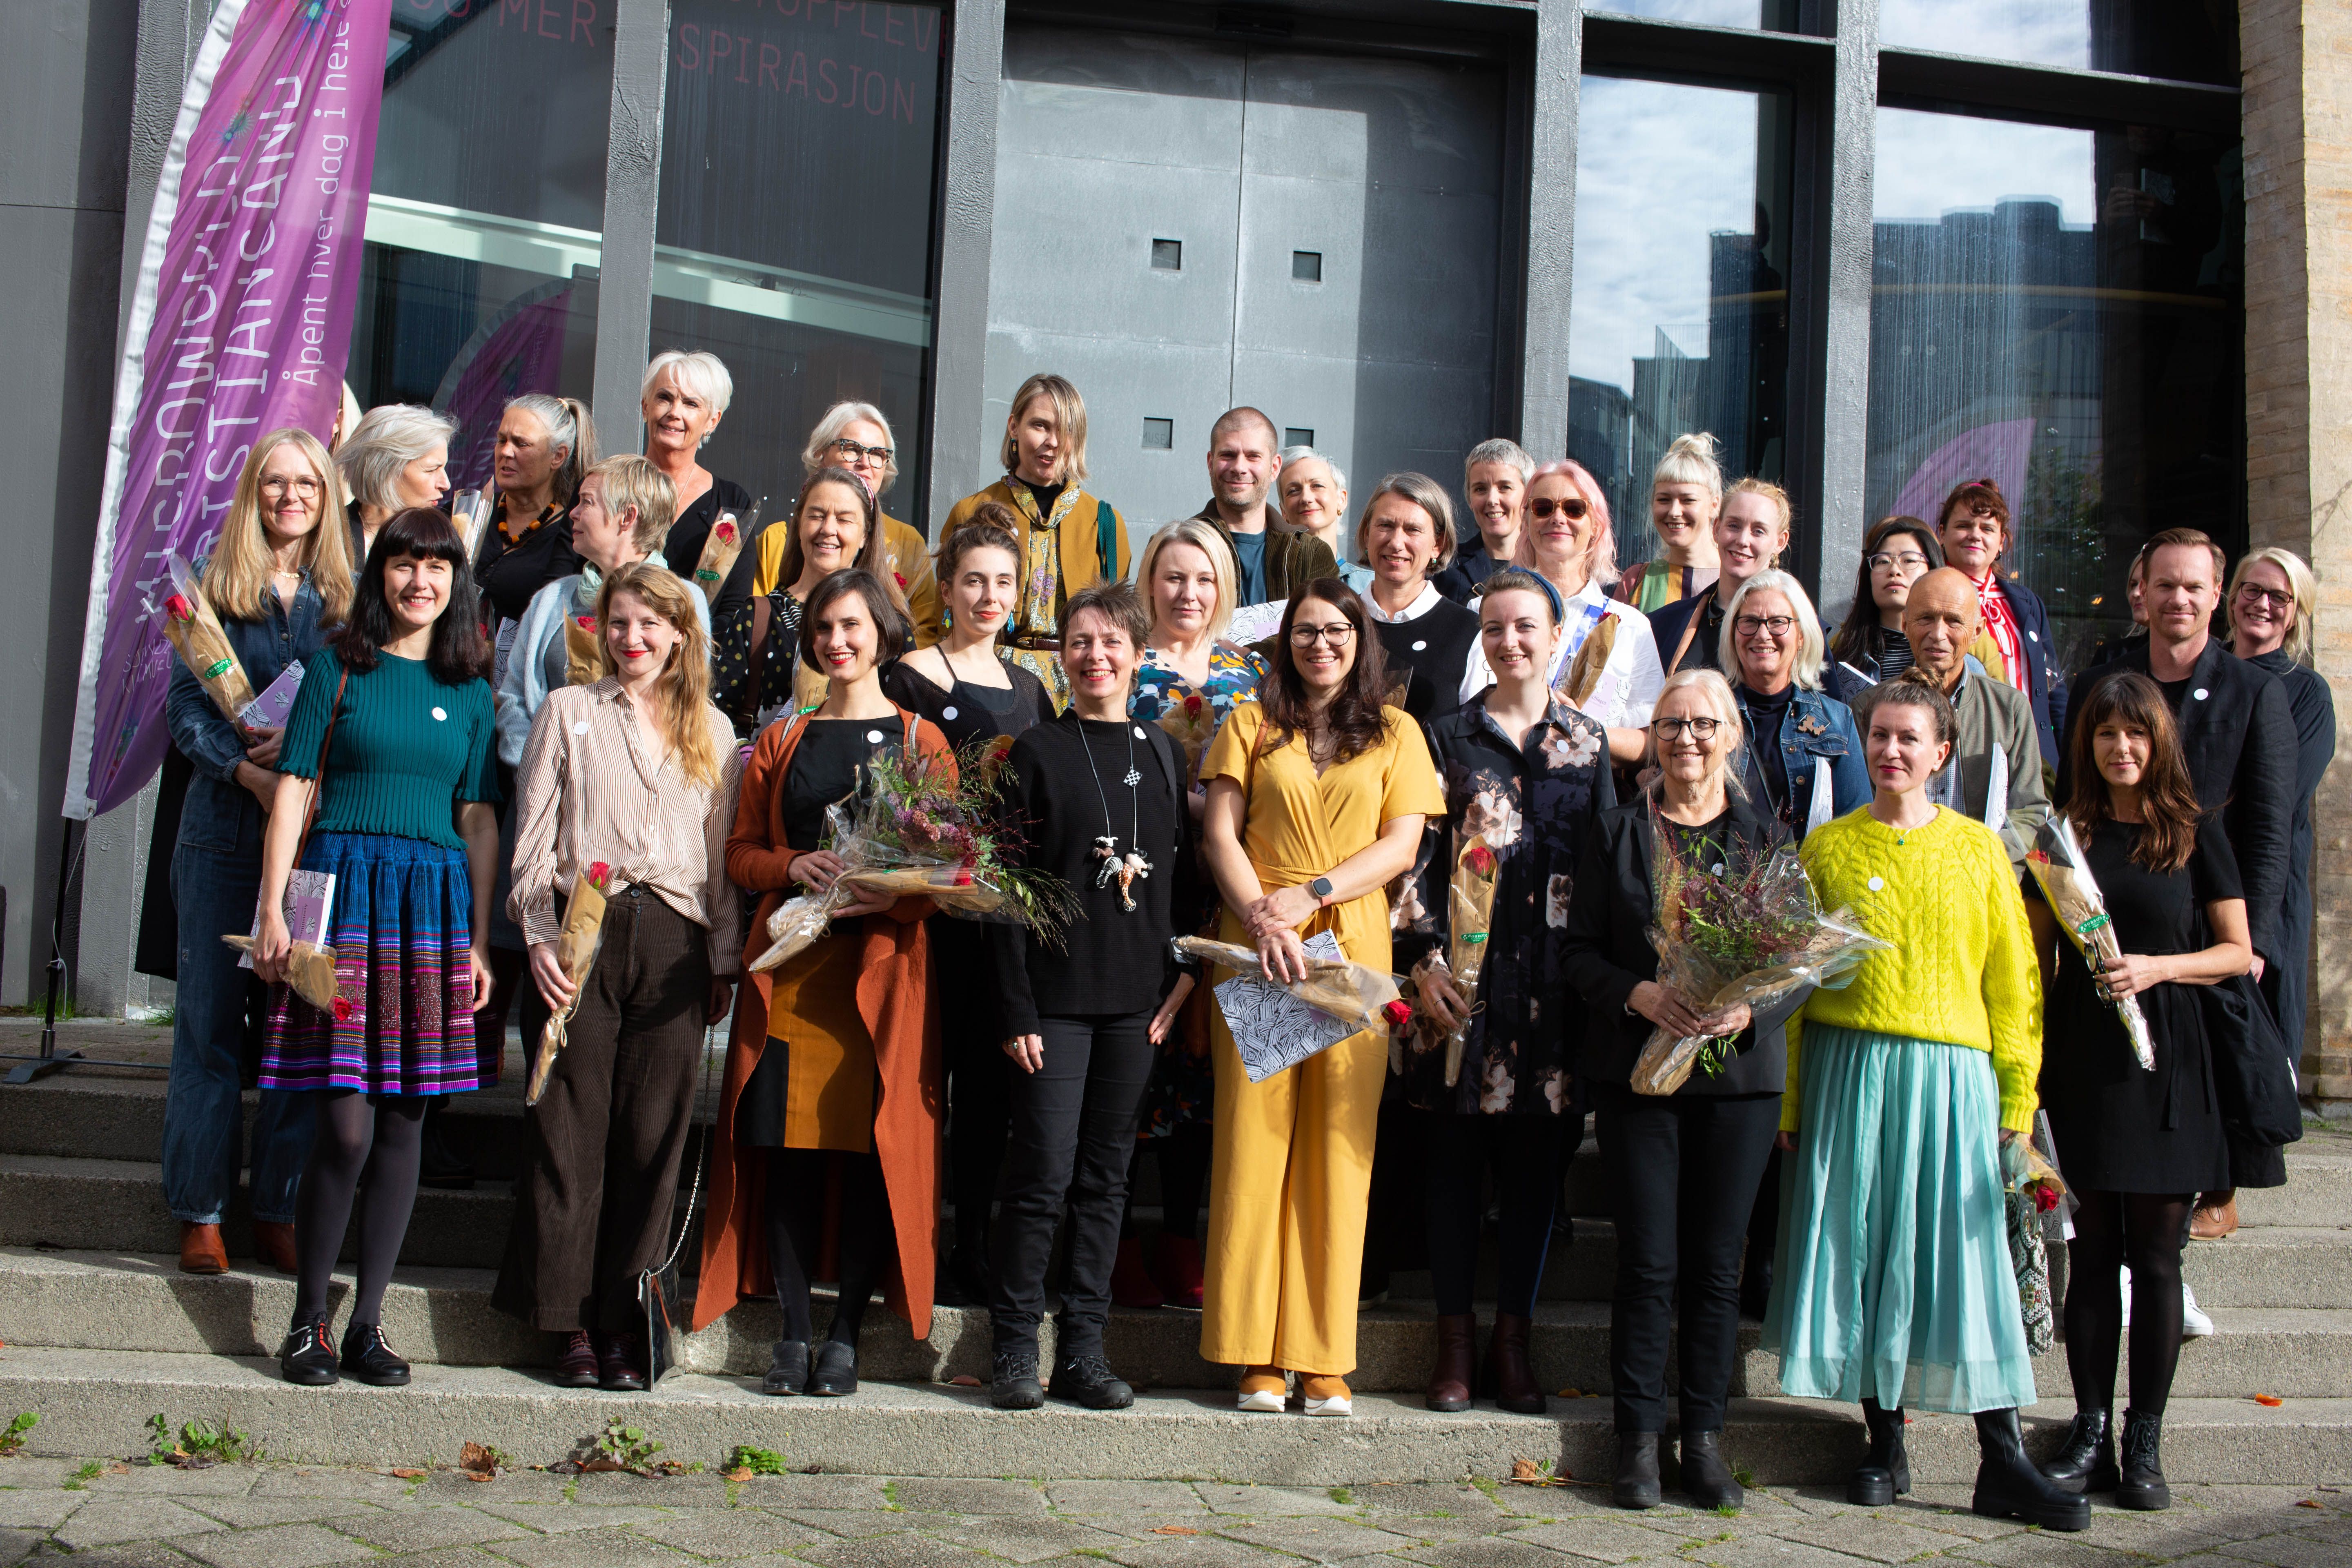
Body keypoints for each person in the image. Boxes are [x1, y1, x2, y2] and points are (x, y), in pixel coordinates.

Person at [1768, 677, 2087, 1532]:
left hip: (1952, 1079)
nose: (1891, 751)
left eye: (1909, 738)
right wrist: (1793, 1103)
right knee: (1867, 1249)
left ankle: (2003, 1457)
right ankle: (1885, 1442)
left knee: (1963, 1260)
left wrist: (2017, 1095)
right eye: (1879, 735)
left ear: (1942, 752)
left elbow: (2015, 982)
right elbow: (1798, 986)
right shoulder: (1827, 849)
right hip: (1847, 1069)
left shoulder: (1980, 851)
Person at [252, 507, 501, 1388]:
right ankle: (308, 1321)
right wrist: (273, 909)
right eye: (403, 564)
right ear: (379, 574)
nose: (419, 582)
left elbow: (478, 818)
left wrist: (478, 941)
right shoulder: (334, 669)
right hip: (342, 896)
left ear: (455, 582)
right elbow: (294, 791)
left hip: (431, 907)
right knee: (346, 1125)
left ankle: (367, 1325)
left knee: (404, 1122)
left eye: (436, 567)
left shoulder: (470, 691)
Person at [695, 569, 954, 1398]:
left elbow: (954, 871)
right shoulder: (784, 737)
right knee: (786, 1146)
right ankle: (794, 1333)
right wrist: (790, 864)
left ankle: (846, 1340)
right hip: (793, 971)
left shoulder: (921, 739)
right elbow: (740, 853)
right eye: (823, 630)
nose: (836, 642)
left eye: (851, 626)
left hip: (882, 972)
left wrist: (897, 894)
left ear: (882, 632)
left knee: (875, 1148)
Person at [494, 563, 743, 1391]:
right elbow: (532, 840)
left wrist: (723, 961)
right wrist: (539, 937)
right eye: (619, 623)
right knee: (568, 1126)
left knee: (650, 1137)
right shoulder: (569, 712)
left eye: (649, 625)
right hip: (584, 931)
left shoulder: (714, 728)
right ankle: (566, 1321)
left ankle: (624, 1320)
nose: (633, 639)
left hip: (675, 943)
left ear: (679, 634)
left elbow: (718, 860)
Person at [1197, 582, 1444, 1416]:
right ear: (1286, 641)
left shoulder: (1398, 732)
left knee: (1340, 1150)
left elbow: (1402, 844)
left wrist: (1312, 895)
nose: (1321, 644)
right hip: (1261, 948)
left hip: (1350, 948)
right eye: (1305, 630)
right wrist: (1265, 916)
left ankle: (1323, 1354)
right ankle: (1257, 1353)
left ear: (1360, 638)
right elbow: (1220, 833)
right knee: (1254, 1144)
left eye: (1337, 630)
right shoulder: (1250, 723)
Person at [1562, 669, 1788, 1510]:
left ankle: (1706, 1441)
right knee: (1649, 1262)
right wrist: (1640, 993)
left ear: (1732, 736)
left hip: (1738, 1083)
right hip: (1641, 1075)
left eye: (1702, 724)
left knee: (1718, 1269)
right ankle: (1638, 1441)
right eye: (1669, 725)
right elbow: (1577, 951)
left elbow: (1797, 965)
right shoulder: (1618, 832)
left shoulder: (1766, 837)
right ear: (1651, 738)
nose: (1686, 739)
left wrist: (1749, 1008)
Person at [2027, 672, 2250, 1512]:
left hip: (2171, 1067)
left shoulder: (2192, 832)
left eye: (2136, 734)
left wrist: (2160, 967)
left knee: (2157, 1259)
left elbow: (2237, 952)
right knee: (2089, 1257)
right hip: (2084, 1063)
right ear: (2085, 744)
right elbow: (2037, 957)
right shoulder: (2063, 841)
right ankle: (2088, 1430)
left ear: (2159, 743)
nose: (2121, 748)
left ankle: (2144, 1439)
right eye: (2105, 734)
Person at [1396, 567, 1614, 1417]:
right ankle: (1454, 1346)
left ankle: (1512, 1346)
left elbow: (1604, 871)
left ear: (1557, 637)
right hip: (1461, 996)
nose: (1510, 641)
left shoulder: (1588, 744)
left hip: (1556, 999)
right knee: (1451, 1175)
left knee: (1534, 1181)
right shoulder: (1446, 737)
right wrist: (1423, 963)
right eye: (1495, 628)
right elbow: (1415, 860)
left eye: (1527, 626)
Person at [987, 584, 1197, 1410]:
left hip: (1138, 1004)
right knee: (1041, 1173)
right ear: (1063, 656)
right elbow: (1005, 889)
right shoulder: (1034, 752)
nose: (1095, 656)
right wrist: (1015, 1007)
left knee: (1108, 1181)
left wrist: (1185, 978)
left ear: (1139, 654)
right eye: (1080, 642)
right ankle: (1014, 1349)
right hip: (1054, 1002)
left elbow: (1183, 882)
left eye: (1111, 642)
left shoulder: (1163, 753)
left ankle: (1082, 1350)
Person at [2067, 528, 2295, 1240]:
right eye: (2165, 584)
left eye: (2194, 586)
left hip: (2210, 927)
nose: (2178, 599)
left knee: (2211, 1097)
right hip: (2118, 924)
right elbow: (2076, 805)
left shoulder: (2255, 692)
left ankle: (2215, 1195)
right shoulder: (2102, 682)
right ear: (2142, 590)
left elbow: (2269, 829)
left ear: (2217, 595)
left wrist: (2255, 942)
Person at [162, 430, 353, 1277]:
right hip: (222, 833)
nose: (291, 496)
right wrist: (246, 772)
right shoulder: (216, 589)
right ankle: (201, 1212)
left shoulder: (347, 602)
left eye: (307, 482)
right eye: (275, 482)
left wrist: (317, 757)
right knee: (208, 1026)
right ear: (253, 493)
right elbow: (183, 711)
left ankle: (277, 1207)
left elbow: (362, 709)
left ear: (326, 495)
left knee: (300, 1024)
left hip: (311, 841)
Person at [878, 514, 1052, 1304]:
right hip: (926, 916)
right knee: (917, 1084)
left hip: (999, 920)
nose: (989, 595)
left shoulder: (1032, 689)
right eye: (974, 580)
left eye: (1004, 582)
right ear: (945, 588)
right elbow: (888, 794)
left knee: (986, 1095)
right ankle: (902, 1242)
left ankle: (971, 1246)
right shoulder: (911, 675)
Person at [1115, 519, 1265, 1311]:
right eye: (1174, 577)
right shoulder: (1126, 664)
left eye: (1204, 578)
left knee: (1205, 1077)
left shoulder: (1250, 672)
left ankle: (1181, 1242)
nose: (1188, 593)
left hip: (1226, 893)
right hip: (1141, 888)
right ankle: (1116, 1249)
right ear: (1150, 582)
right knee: (1141, 1065)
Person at [1459, 461, 1663, 763]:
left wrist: (1586, 733)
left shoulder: (1630, 627)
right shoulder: (1482, 612)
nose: (1558, 518)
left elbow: (1652, 743)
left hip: (1586, 788)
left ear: (1596, 527)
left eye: (1574, 509)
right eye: (1543, 508)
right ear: (1527, 521)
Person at [2224, 548, 2333, 1091]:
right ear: (2232, 598)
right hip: (2190, 882)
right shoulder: (2202, 671)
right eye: (2253, 590)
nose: (2262, 604)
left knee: (2258, 1068)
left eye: (2279, 597)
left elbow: (2277, 801)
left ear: (2295, 614)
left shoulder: (2306, 694)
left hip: (2266, 891)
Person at [716, 467, 898, 735]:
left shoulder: (887, 624)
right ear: (799, 525)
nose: (828, 529)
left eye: (844, 519)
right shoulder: (758, 618)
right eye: (817, 516)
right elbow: (719, 721)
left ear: (865, 535)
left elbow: (902, 725)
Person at [1900, 568, 2052, 876]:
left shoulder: (2010, 709)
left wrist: (1976, 857)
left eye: (1954, 621)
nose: (1938, 634)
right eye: (1925, 619)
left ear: (1978, 630)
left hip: (1984, 878)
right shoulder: (1874, 708)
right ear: (1904, 624)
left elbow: (2031, 812)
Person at [754, 401, 944, 645]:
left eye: (877, 454)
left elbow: (925, 633)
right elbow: (758, 624)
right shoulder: (775, 541)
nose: (865, 462)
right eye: (852, 449)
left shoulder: (908, 542)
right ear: (821, 455)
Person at [1719, 570, 1869, 837]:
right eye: (1750, 622)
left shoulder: (1837, 720)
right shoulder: (1709, 714)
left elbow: (1856, 827)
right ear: (1733, 634)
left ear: (1801, 636)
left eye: (1778, 622)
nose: (1762, 634)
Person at [1935, 479, 2067, 767]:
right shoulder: (1927, 596)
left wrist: (2064, 759)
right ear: (1942, 534)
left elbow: (2053, 688)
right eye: (1964, 526)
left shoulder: (2027, 603)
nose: (1975, 535)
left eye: (1987, 529)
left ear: (2002, 542)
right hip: (1960, 753)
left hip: (2033, 756)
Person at [640, 350, 759, 622]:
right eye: (664, 398)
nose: (674, 413)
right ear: (645, 406)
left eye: (691, 404)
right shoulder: (606, 485)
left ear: (712, 421)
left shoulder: (731, 504)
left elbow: (734, 607)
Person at [477, 394, 596, 662]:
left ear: (558, 456)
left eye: (521, 444)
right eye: (502, 440)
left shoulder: (573, 538)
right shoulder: (469, 512)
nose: (506, 452)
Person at [1357, 472, 1480, 729]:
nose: (1396, 543)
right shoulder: (1337, 622)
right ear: (1367, 534)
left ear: (1438, 544)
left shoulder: (1469, 632)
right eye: (1385, 526)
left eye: (1412, 530)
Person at [1647, 478, 1791, 681]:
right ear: (1716, 529)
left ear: (1780, 542)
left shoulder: (1800, 631)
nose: (1743, 540)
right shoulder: (1665, 625)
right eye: (1734, 526)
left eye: (1758, 531)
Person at [1192, 408, 1335, 608]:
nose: (1239, 468)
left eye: (1253, 456)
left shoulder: (1311, 555)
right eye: (1228, 455)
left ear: (1274, 468)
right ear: (1210, 463)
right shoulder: (1176, 547)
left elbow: (1322, 624)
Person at [1827, 517, 1942, 694]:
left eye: (1909, 560)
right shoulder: (1842, 649)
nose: (1894, 570)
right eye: (1882, 561)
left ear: (1933, 568)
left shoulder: (1954, 651)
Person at [1614, 433, 1724, 614]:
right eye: (1664, 500)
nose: (1674, 512)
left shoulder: (1737, 578)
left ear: (1714, 505)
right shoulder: (1636, 582)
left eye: (1688, 500)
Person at [337, 404, 456, 565]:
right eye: (431, 470)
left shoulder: (440, 540)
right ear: (385, 470)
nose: (446, 484)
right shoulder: (328, 537)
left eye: (444, 468)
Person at [1434, 439, 1533, 604]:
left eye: (1505, 487)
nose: (1492, 500)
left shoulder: (1546, 565)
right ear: (1470, 499)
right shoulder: (1446, 569)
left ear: (1527, 495)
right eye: (1480, 489)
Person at [1276, 446, 1370, 592]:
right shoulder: (1269, 584)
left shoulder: (1369, 587)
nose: (1306, 498)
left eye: (1317, 486)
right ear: (1284, 511)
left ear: (1342, 499)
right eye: (1293, 491)